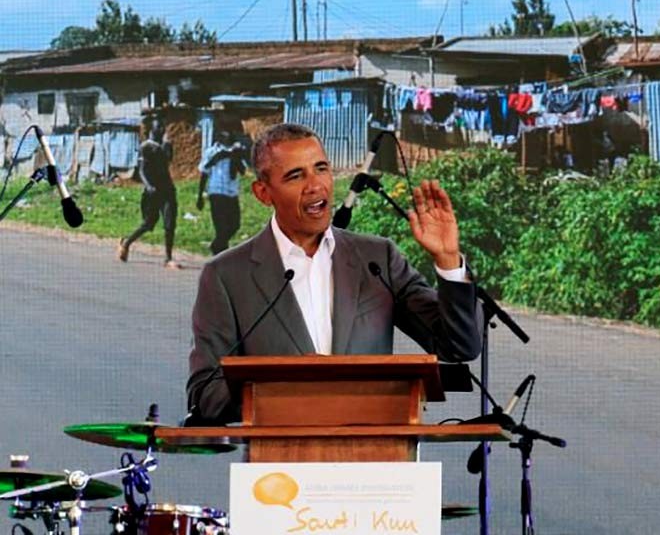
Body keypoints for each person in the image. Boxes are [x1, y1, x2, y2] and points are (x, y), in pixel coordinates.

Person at [187, 123, 483, 423]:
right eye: (296, 175)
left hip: (376, 450)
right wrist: (287, 385)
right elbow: (205, 394)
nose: (315, 185)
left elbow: (459, 346)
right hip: (281, 453)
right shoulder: (225, 276)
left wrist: (448, 259)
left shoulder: (377, 259)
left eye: (321, 168)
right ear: (263, 193)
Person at [117, 114, 179, 268]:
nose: (161, 129)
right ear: (152, 129)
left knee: (170, 224)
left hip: (167, 189)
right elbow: (141, 170)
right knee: (149, 223)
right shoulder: (146, 147)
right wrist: (148, 185)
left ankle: (168, 258)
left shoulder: (164, 145)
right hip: (153, 191)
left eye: (163, 127)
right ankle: (126, 242)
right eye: (158, 126)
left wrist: (167, 145)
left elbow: (169, 160)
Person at [196, 129, 248, 255]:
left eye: (228, 135)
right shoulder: (211, 152)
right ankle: (220, 254)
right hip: (217, 192)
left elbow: (242, 171)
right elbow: (204, 172)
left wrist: (235, 157)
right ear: (218, 137)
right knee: (221, 227)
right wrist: (200, 196)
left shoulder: (236, 152)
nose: (226, 137)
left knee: (235, 224)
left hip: (231, 192)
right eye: (223, 135)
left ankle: (216, 246)